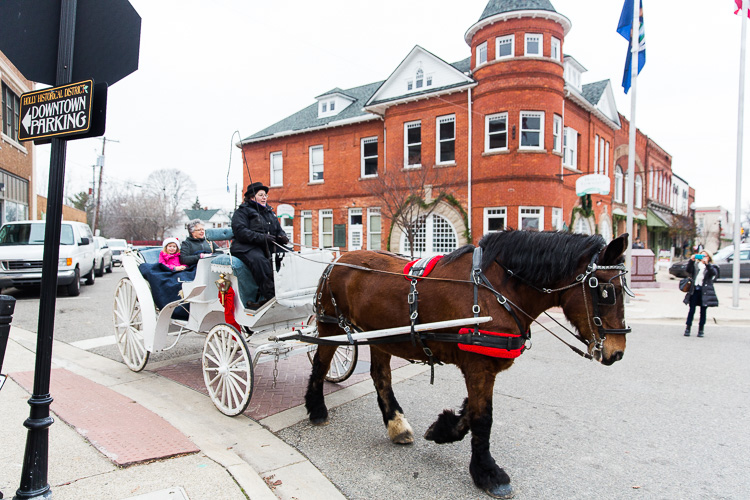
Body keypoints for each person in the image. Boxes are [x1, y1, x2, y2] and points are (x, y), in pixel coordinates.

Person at [231, 181, 289, 308]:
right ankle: (270, 297)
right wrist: (262, 237)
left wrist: (282, 237)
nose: (264, 198)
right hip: (245, 246)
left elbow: (278, 229)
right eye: (261, 195)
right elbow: (241, 232)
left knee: (289, 257)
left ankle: (288, 290)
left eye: (265, 195)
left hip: (266, 245)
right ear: (252, 197)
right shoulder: (242, 212)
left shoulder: (269, 212)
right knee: (260, 261)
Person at [683, 250, 719, 337]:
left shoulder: (711, 266)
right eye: (701, 256)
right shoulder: (696, 265)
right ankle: (688, 328)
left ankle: (701, 330)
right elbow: (688, 270)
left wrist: (707, 264)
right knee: (691, 310)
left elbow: (713, 274)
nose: (703, 258)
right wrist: (691, 260)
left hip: (705, 291)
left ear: (709, 257)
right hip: (695, 290)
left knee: (703, 311)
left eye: (705, 256)